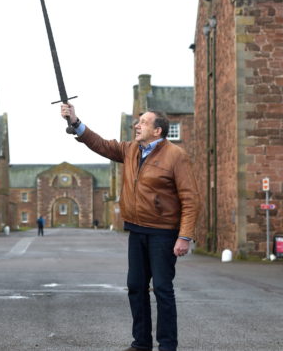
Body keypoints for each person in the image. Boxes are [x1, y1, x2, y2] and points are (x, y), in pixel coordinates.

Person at [60, 103, 200, 351]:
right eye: (138, 121)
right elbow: (101, 144)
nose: (137, 125)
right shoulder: (131, 150)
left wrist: (185, 236)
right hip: (136, 230)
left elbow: (190, 199)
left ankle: (167, 346)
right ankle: (142, 343)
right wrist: (75, 121)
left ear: (158, 131)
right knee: (136, 286)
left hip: (163, 233)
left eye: (144, 122)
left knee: (163, 289)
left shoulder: (176, 156)